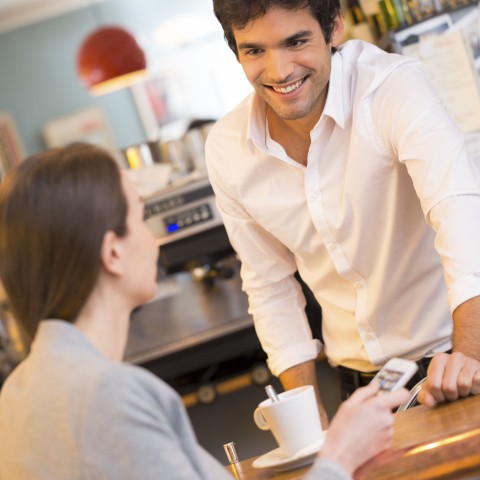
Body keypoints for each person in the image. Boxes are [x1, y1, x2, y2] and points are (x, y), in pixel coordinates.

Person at [0, 142, 409, 480]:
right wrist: (340, 454)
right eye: (141, 218)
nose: (155, 242)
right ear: (112, 253)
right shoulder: (110, 396)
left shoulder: (15, 397)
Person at [205, 0, 480, 425]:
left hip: (456, 353)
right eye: (255, 51)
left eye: (296, 41)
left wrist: (469, 356)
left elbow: (459, 213)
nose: (279, 71)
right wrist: (307, 414)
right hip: (362, 386)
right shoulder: (228, 147)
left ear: (334, 28)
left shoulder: (391, 87)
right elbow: (268, 284)